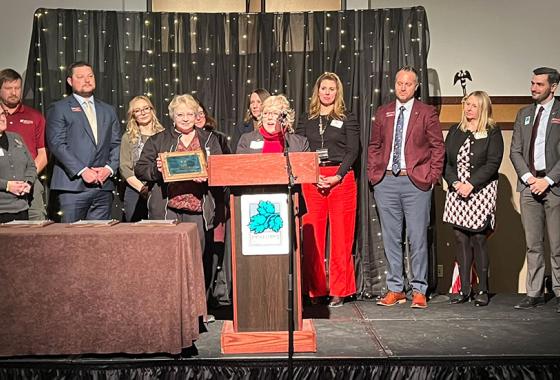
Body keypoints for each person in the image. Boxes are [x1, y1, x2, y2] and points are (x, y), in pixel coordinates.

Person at [367, 66, 445, 309]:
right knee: (391, 238)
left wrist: (432, 177)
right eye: (399, 83)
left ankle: (419, 288)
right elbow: (374, 145)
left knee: (417, 237)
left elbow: (437, 147)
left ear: (416, 86)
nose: (402, 87)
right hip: (386, 181)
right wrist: (374, 174)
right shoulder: (384, 112)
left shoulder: (426, 112)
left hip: (416, 183)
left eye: (408, 84)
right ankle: (395, 288)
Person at [296, 72, 359, 308]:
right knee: (313, 238)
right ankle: (315, 290)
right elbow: (300, 149)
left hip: (341, 179)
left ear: (337, 92)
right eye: (324, 88)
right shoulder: (306, 119)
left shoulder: (347, 117)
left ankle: (340, 290)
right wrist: (313, 175)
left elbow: (353, 150)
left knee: (341, 238)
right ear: (317, 91)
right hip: (312, 179)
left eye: (332, 89)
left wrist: (337, 176)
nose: (327, 92)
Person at [134, 94, 224, 253]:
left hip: (198, 210)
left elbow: (221, 169)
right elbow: (140, 169)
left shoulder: (209, 139)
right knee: (168, 256)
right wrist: (158, 171)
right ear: (172, 116)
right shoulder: (158, 140)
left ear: (196, 116)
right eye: (180, 114)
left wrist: (208, 176)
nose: (185, 119)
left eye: (190, 114)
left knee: (196, 256)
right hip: (167, 209)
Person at [443, 91, 504, 307]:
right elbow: (446, 163)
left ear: (483, 108)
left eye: (474, 106)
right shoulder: (455, 130)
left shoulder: (492, 131)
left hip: (481, 191)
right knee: (460, 239)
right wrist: (456, 183)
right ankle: (464, 290)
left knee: (478, 238)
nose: (468, 109)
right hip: (457, 191)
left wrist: (472, 184)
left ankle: (482, 290)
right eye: (467, 104)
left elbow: (493, 162)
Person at [510, 67, 560, 313]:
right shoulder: (524, 113)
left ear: (553, 86)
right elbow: (515, 151)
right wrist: (530, 178)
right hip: (529, 185)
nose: (533, 88)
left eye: (539, 84)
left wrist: (548, 180)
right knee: (533, 244)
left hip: (554, 186)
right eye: (532, 83)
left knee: (558, 244)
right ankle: (534, 293)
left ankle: (559, 292)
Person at [46, 61, 121, 223]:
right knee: (71, 242)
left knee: (98, 241)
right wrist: (82, 170)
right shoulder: (59, 108)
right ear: (70, 81)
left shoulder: (108, 110)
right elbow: (57, 144)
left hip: (103, 186)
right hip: (73, 187)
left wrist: (108, 169)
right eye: (80, 77)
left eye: (90, 76)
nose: (87, 80)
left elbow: (116, 143)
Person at [0, 68, 47, 220]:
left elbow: (43, 154)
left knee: (35, 222)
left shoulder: (34, 117)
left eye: (17, 88)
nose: (13, 92)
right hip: (4, 185)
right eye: (8, 88)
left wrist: (27, 180)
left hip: (30, 180)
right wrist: (8, 184)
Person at [119, 96, 165, 222]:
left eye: (146, 108)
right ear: (133, 115)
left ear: (152, 110)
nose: (143, 112)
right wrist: (142, 189)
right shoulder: (128, 137)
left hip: (160, 189)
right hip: (136, 191)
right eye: (138, 110)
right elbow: (125, 168)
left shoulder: (165, 135)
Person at [238, 94, 309, 154]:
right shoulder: (246, 140)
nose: (269, 117)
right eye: (266, 113)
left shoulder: (300, 143)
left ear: (285, 118)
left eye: (275, 113)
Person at [0, 111, 37, 222]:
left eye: (2, 114)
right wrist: (7, 186)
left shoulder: (16, 138)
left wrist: (28, 182)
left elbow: (31, 166)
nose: (2, 118)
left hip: (21, 208)